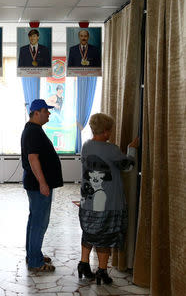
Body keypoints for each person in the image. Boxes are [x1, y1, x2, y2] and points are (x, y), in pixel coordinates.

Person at [78, 113, 138, 285]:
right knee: (105, 236)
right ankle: (102, 272)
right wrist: (131, 149)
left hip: (87, 202)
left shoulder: (86, 145)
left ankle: (83, 264)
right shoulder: (111, 149)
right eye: (110, 130)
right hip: (107, 204)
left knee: (88, 233)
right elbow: (128, 166)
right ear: (105, 131)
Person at [21, 99, 63, 272]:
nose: (49, 114)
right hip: (38, 185)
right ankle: (35, 262)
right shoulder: (33, 131)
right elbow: (33, 158)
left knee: (35, 220)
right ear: (36, 112)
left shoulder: (34, 130)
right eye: (46, 111)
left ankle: (33, 254)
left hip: (36, 184)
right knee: (39, 222)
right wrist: (43, 183)